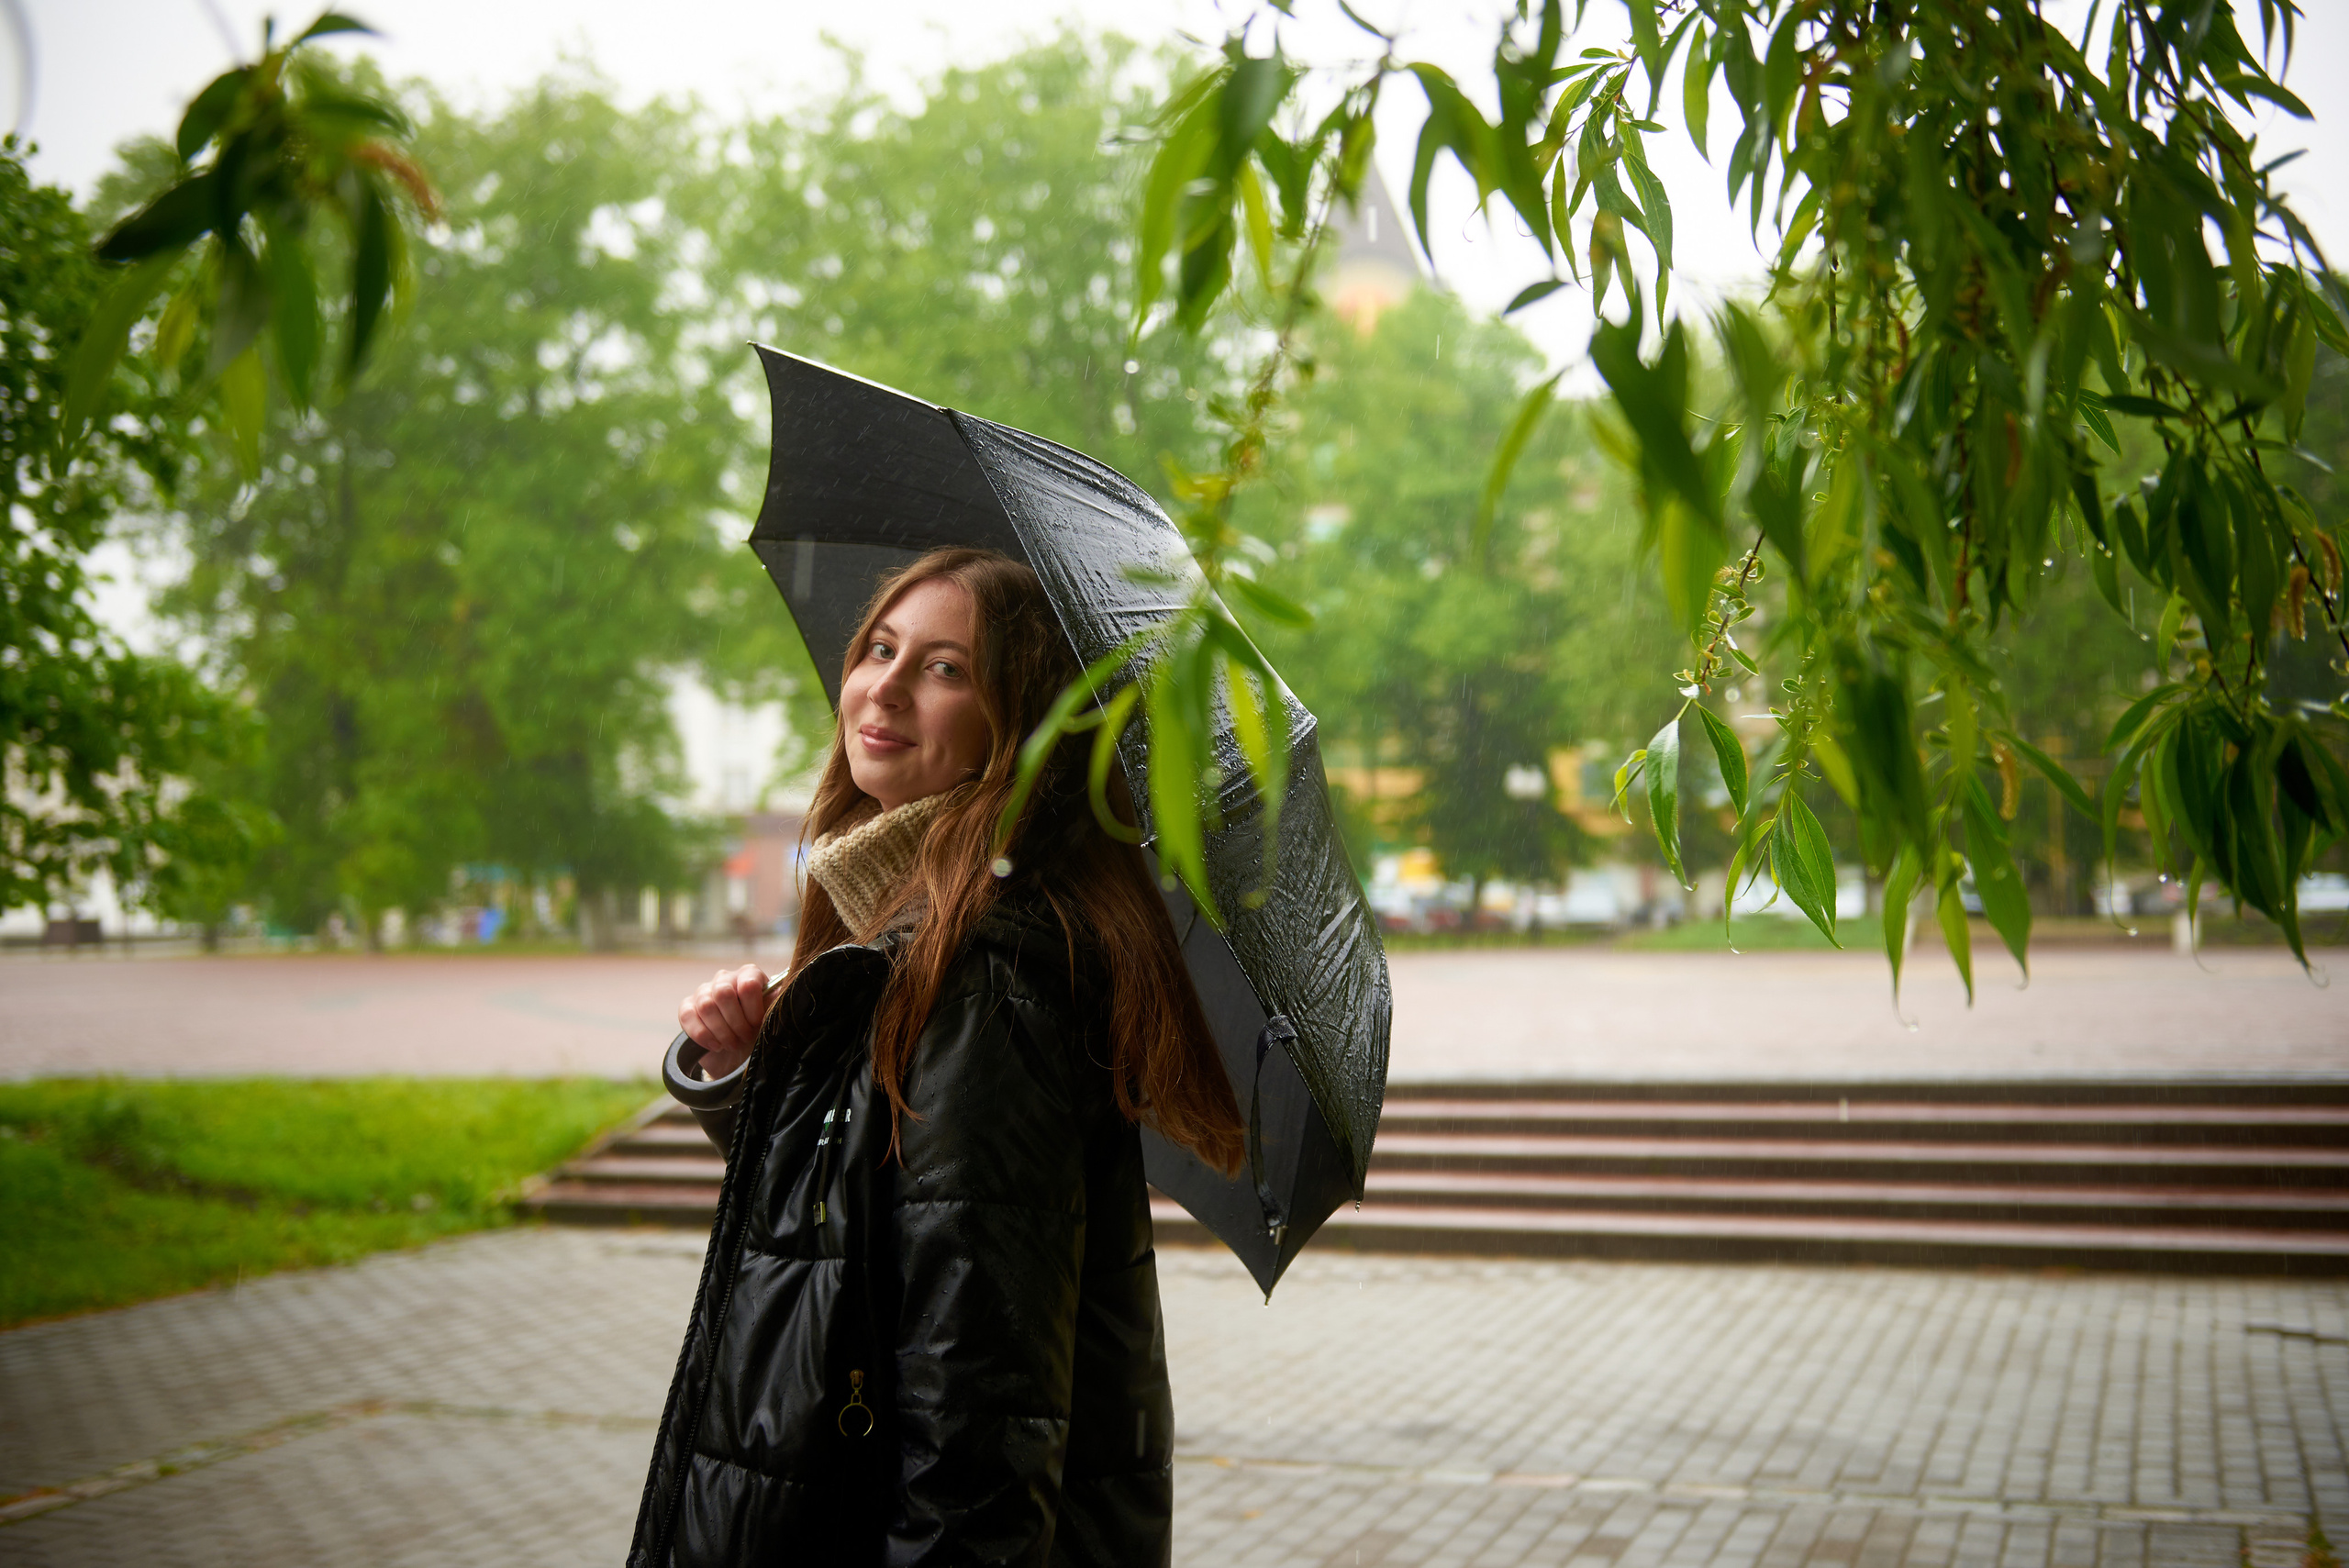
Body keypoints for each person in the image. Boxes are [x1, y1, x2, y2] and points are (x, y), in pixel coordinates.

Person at [629, 547, 1244, 1568]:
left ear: (1017, 723)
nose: (885, 684)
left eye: (947, 667)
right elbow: (874, 1224)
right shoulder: (910, 945)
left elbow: (979, 1410)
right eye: (880, 647)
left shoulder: (986, 983)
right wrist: (752, 1073)